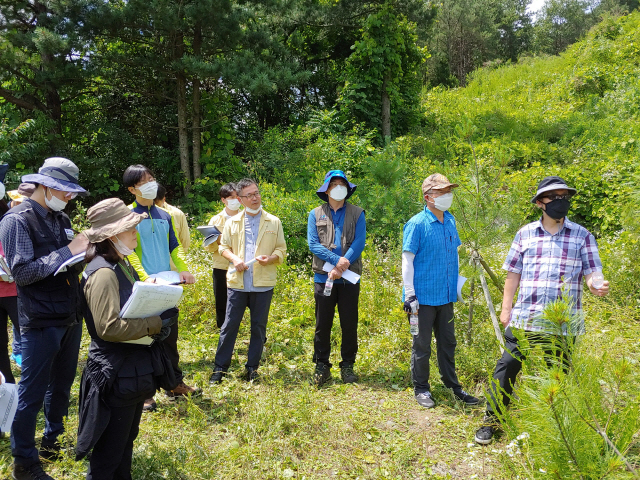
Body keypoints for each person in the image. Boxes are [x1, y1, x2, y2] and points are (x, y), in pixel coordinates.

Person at [474, 176, 609, 445]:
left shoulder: (582, 235)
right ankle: (491, 421)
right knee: (507, 367)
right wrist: (506, 308)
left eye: (564, 198)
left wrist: (597, 285)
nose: (561, 203)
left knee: (556, 375)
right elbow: (513, 273)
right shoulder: (525, 234)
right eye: (554, 198)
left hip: (562, 322)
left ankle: (552, 432)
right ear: (540, 203)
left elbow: (593, 271)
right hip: (526, 316)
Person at [75, 198, 178, 479]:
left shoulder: (120, 263)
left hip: (131, 367)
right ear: (112, 235)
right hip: (116, 371)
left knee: (125, 441)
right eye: (130, 228)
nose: (136, 233)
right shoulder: (103, 273)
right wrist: (155, 322)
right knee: (110, 449)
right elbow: (109, 328)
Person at [0, 157, 89, 480]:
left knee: (62, 385)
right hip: (40, 318)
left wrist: (84, 252)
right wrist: (69, 251)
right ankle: (24, 461)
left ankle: (53, 439)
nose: (69, 197)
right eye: (64, 191)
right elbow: (22, 273)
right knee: (32, 392)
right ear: (44, 185)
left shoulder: (60, 217)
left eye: (71, 192)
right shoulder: (16, 220)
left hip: (69, 313)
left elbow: (70, 261)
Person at [123, 165, 198, 411]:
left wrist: (183, 269)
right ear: (132, 189)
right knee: (142, 340)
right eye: (145, 182)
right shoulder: (128, 215)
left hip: (167, 285)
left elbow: (174, 246)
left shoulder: (165, 214)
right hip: (141, 287)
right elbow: (129, 251)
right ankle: (145, 392)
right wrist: (144, 277)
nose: (151, 184)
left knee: (169, 336)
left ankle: (174, 384)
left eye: (152, 179)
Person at [402, 173, 479, 409]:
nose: (447, 196)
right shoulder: (417, 224)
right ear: (428, 197)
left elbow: (453, 253)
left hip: (445, 295)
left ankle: (453, 386)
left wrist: (456, 286)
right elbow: (407, 260)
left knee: (448, 342)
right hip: (422, 298)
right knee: (422, 344)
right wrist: (410, 293)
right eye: (442, 192)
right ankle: (422, 388)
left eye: (449, 192)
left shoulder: (450, 221)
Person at [209, 178, 286, 383]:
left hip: (263, 283)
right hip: (237, 282)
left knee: (258, 327)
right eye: (249, 195)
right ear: (240, 199)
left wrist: (270, 258)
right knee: (229, 326)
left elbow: (281, 249)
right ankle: (220, 369)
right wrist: (235, 259)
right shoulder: (231, 222)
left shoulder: (273, 221)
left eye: (256, 193)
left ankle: (252, 368)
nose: (255, 198)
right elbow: (223, 247)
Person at [307, 170, 366, 386]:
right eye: (335, 184)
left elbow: (359, 242)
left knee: (349, 323)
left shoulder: (358, 213)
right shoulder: (315, 214)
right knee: (323, 323)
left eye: (343, 183)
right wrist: (335, 259)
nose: (339, 187)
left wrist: (343, 263)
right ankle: (321, 364)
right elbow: (313, 244)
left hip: (349, 278)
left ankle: (348, 365)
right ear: (327, 189)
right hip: (324, 278)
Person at [6, 182, 35, 369]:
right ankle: (17, 351)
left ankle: (19, 351)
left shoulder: (30, 220)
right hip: (7, 284)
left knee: (21, 322)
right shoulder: (9, 219)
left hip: (19, 285)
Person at [204, 183, 240, 328]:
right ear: (223, 200)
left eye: (237, 196)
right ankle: (223, 331)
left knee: (247, 301)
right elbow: (208, 246)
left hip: (242, 265)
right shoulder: (215, 220)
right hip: (221, 266)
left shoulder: (247, 217)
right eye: (231, 197)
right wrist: (218, 240)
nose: (235, 200)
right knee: (221, 301)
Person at [0, 166, 20, 385]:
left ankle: (44, 387)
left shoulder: (11, 215)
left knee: (33, 340)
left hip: (16, 289)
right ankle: (7, 388)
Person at [154, 183, 191, 270]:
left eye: (157, 203)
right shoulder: (138, 214)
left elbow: (184, 242)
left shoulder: (177, 214)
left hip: (172, 268)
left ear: (164, 199)